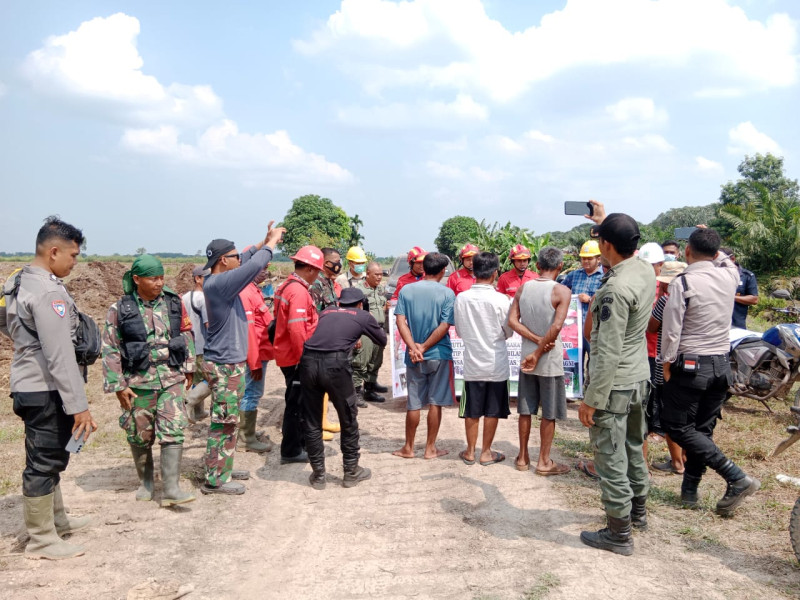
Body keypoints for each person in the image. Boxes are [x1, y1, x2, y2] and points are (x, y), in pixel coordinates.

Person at [0, 216, 97, 560]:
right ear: (53, 251)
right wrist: (79, 406)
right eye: (72, 256)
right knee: (44, 462)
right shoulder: (47, 291)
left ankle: (56, 520)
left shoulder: (16, 281)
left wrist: (29, 350)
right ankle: (42, 539)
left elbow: (8, 326)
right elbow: (60, 356)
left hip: (27, 382)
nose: (75, 262)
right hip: (45, 388)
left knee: (51, 456)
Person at [660, 229, 760, 516]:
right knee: (702, 429)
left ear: (687, 251)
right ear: (715, 254)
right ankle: (689, 491)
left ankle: (735, 476)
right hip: (721, 364)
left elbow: (672, 330)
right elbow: (728, 260)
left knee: (677, 426)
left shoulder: (684, 281)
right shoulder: (730, 276)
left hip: (691, 364)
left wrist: (667, 364)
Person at [578, 203, 654, 556]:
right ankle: (638, 511)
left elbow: (605, 352)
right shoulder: (644, 270)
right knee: (634, 447)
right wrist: (602, 222)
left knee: (610, 456)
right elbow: (627, 244)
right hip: (639, 377)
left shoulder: (614, 290)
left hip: (615, 384)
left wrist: (592, 399)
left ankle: (619, 532)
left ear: (606, 247)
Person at [102, 254, 196, 507]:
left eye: (161, 277)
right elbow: (110, 348)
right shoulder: (120, 309)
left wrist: (189, 368)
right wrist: (118, 385)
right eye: (153, 278)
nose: (159, 282)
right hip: (138, 382)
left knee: (173, 430)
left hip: (171, 378)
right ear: (136, 279)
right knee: (139, 434)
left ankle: (172, 489)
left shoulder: (173, 303)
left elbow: (186, 334)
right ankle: (146, 482)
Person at [199, 222, 285, 495]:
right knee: (223, 422)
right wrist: (271, 245)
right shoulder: (221, 284)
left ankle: (222, 466)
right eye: (235, 255)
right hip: (224, 364)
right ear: (224, 261)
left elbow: (247, 258)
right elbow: (252, 266)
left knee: (229, 420)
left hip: (227, 362)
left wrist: (261, 242)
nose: (240, 257)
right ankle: (215, 480)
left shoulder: (219, 279)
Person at [300, 287, 387, 489]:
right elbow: (381, 340)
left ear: (340, 302)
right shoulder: (362, 315)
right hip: (336, 366)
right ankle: (351, 472)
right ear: (359, 304)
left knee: (312, 421)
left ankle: (319, 476)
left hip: (308, 362)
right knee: (348, 417)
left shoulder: (327, 311)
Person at [508, 247, 571, 475]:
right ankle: (544, 461)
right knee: (549, 412)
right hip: (549, 359)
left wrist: (533, 344)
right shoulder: (561, 291)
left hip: (526, 356)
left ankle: (523, 457)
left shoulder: (524, 288)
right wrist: (540, 347)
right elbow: (556, 327)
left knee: (525, 410)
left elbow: (513, 321)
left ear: (537, 266)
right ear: (560, 266)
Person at [392, 253, 456, 459]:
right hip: (439, 353)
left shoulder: (407, 290)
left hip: (414, 355)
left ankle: (408, 448)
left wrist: (414, 347)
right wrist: (425, 347)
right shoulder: (447, 294)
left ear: (424, 268)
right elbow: (444, 325)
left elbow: (400, 322)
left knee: (414, 402)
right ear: (443, 271)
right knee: (435, 402)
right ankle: (430, 448)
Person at [454, 252, 513, 466]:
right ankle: (486, 452)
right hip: (497, 363)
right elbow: (509, 331)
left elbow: (459, 330)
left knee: (472, 409)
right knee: (492, 410)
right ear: (495, 273)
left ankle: (470, 451)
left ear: (474, 271)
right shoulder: (501, 299)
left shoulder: (462, 298)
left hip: (473, 364)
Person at [273, 246, 324, 465]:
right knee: (296, 405)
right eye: (318, 270)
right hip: (296, 358)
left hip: (291, 354)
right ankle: (292, 450)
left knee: (299, 403)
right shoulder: (298, 292)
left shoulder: (289, 286)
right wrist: (305, 360)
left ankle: (299, 444)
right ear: (311, 269)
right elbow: (296, 329)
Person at [648, 260, 688, 475]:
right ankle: (685, 457)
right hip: (691, 361)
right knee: (687, 414)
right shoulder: (694, 298)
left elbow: (652, 327)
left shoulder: (665, 301)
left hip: (667, 362)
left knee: (668, 414)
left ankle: (677, 462)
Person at [237, 260, 273, 453]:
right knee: (251, 394)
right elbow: (249, 330)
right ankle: (246, 438)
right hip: (254, 352)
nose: (266, 273)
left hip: (261, 350)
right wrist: (255, 361)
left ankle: (247, 432)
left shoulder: (254, 290)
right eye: (263, 268)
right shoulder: (246, 292)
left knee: (252, 393)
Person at [354, 261, 390, 403]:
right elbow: (354, 313)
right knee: (360, 362)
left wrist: (385, 308)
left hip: (379, 329)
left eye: (381, 274)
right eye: (376, 274)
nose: (379, 277)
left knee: (375, 361)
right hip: (365, 331)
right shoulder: (358, 290)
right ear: (367, 274)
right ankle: (356, 392)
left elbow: (382, 306)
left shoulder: (381, 289)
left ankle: (370, 389)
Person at [182, 266, 210, 423]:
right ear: (197, 279)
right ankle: (189, 403)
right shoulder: (203, 299)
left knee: (198, 378)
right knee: (211, 379)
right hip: (202, 345)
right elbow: (208, 325)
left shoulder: (186, 296)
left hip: (190, 344)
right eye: (206, 277)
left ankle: (198, 412)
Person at [720, 247, 758, 329]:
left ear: (732, 259)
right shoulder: (715, 275)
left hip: (737, 325)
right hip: (717, 325)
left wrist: (731, 297)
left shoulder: (747, 276)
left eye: (722, 262)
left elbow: (754, 299)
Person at [309, 248, 343, 313]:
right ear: (327, 263)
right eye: (337, 262)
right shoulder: (316, 283)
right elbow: (315, 313)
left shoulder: (329, 281)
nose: (339, 265)